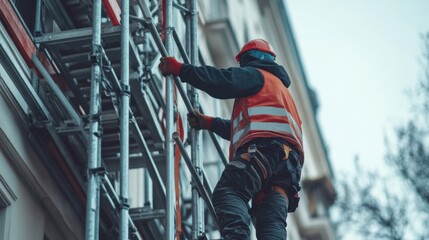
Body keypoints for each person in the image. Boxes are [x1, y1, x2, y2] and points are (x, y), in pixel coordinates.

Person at [159, 39, 304, 240]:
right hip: (287, 167)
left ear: (247, 60)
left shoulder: (257, 75)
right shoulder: (282, 94)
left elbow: (221, 82)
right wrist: (209, 123)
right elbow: (247, 127)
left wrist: (181, 69)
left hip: (265, 150)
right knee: (270, 221)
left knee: (230, 192)